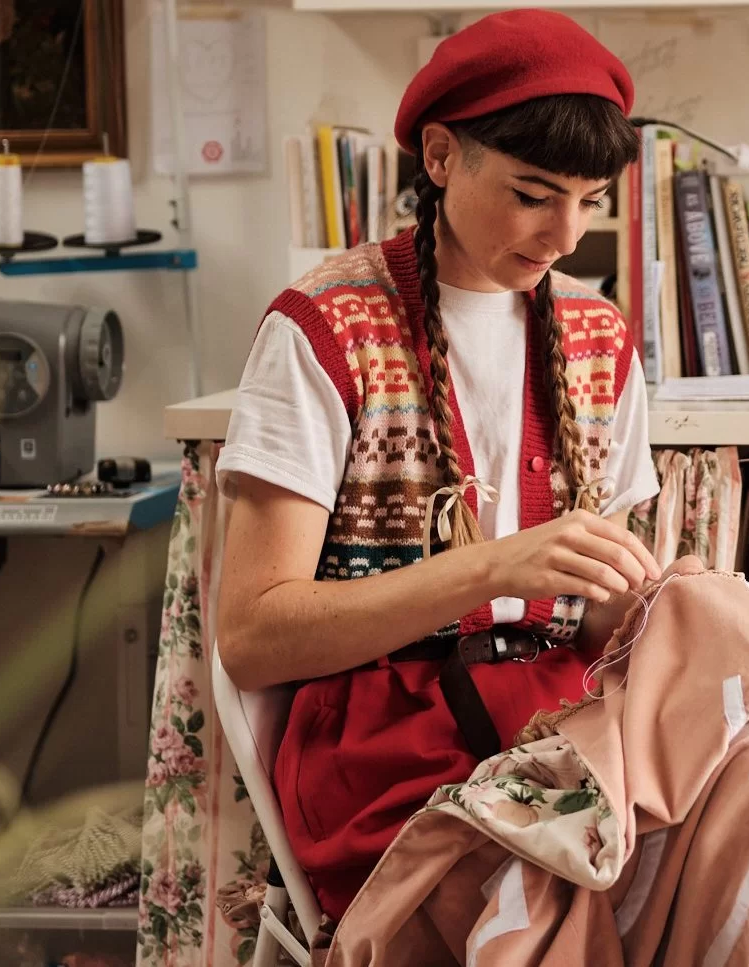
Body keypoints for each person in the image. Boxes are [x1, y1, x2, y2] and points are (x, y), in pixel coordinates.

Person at [213, 9, 663, 922]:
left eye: (590, 200)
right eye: (535, 194)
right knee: (596, 900)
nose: (567, 234)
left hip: (555, 726)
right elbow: (254, 635)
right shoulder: (325, 329)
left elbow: (596, 628)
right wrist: (492, 567)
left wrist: (660, 603)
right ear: (442, 154)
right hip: (384, 747)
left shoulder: (594, 334)